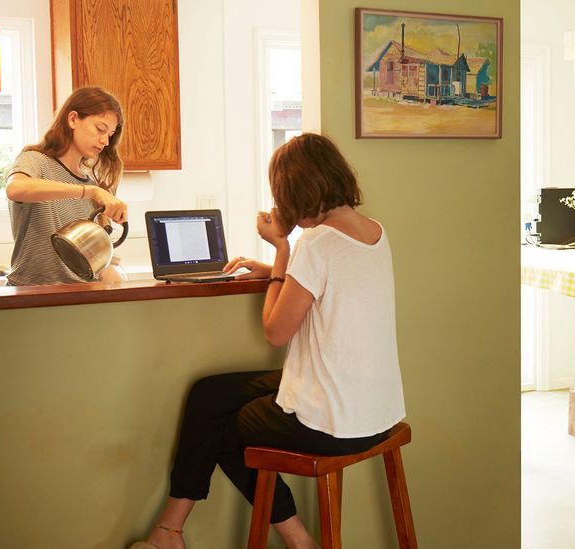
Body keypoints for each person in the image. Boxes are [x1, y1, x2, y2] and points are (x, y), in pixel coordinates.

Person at [133, 133, 405, 549]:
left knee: (221, 428)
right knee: (210, 393)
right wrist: (281, 271)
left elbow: (276, 332)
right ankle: (168, 532)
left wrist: (281, 250)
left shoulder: (316, 243)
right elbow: (327, 285)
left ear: (294, 191)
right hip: (376, 413)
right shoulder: (374, 232)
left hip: (333, 423)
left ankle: (294, 540)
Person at [4, 86, 128, 285]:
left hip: (76, 298)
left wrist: (114, 276)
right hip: (31, 295)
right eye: (100, 129)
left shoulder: (92, 185)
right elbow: (15, 189)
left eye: (110, 134)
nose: (105, 141)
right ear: (72, 119)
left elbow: (95, 260)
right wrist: (89, 192)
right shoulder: (35, 161)